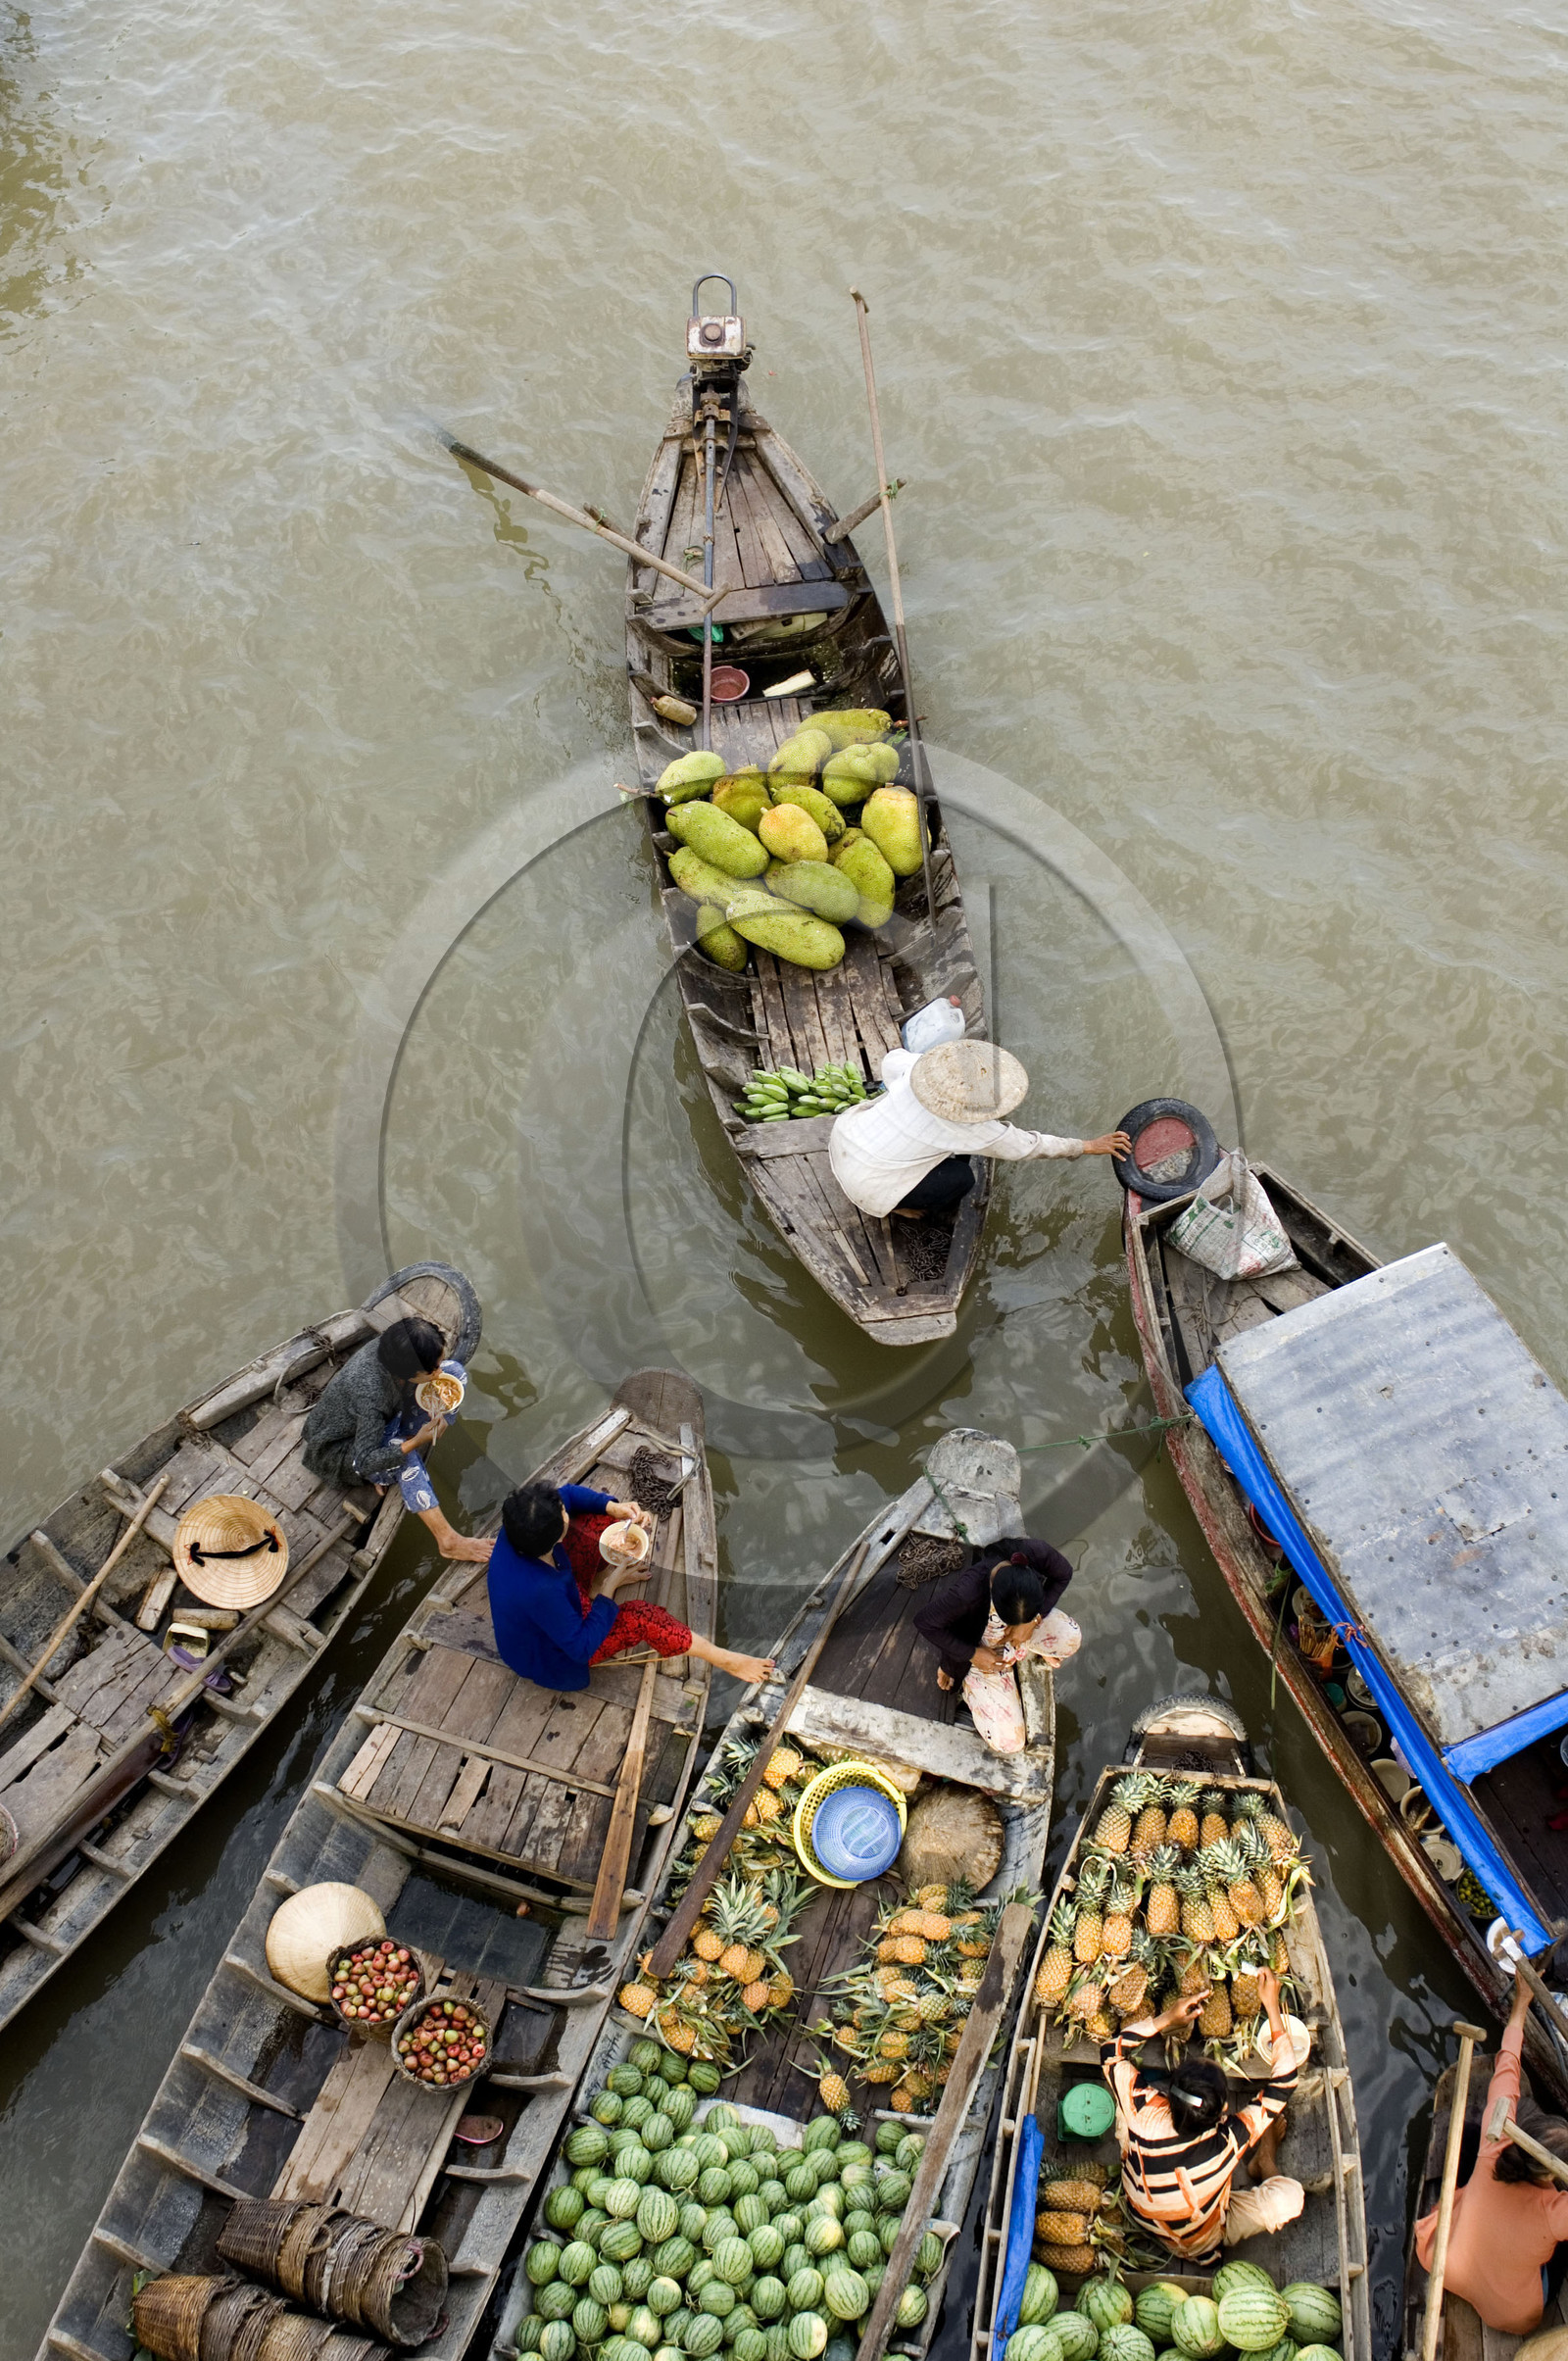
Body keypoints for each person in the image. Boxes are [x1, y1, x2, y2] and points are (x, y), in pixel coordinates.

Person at [488, 1479, 778, 1693]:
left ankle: (594, 1584)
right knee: (640, 1617)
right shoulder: (539, 1591)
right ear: (552, 1542)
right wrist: (608, 1590)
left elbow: (571, 1495)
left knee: (596, 1519)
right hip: (551, 1652)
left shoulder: (522, 1523)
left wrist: (614, 1509)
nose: (566, 1512)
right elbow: (581, 1648)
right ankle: (725, 1660)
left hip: (555, 1604)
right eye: (563, 1517)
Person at [1101, 1972, 1302, 2259]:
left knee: (1125, 2108)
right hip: (1203, 2241)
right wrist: (1271, 2005)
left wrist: (1166, 2018)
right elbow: (1285, 2082)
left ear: (1169, 2093)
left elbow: (1110, 2051)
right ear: (1224, 2111)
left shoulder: (1143, 2107)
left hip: (1141, 2216)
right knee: (1291, 2198)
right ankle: (1264, 2162)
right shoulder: (1229, 2141)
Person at [1413, 1968, 1568, 2333]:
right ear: (1549, 2175)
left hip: (1446, 2265)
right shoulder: (1555, 2211)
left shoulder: (1495, 2142)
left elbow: (1508, 2067)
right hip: (1510, 2315)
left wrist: (1521, 2005)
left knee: (1469, 2134)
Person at [827, 1038, 1131, 1221]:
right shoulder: (971, 1130)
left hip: (845, 1139)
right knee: (963, 1177)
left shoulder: (918, 1070)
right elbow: (1028, 1146)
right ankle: (897, 1207)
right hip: (869, 1187)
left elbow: (892, 1060)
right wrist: (1087, 1146)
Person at [301, 1315, 490, 1564]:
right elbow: (365, 1459)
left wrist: (442, 1414)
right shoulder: (370, 1394)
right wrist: (415, 1441)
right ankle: (448, 1541)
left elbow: (441, 1372)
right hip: (341, 1449)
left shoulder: (395, 1347)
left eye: (438, 1360)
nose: (438, 1370)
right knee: (406, 1458)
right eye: (432, 1369)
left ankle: (425, 1430)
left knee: (456, 1374)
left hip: (381, 1418)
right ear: (408, 1373)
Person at [912, 1541, 1081, 1755]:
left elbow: (1063, 1574)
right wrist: (972, 1654)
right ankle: (971, 1688)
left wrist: (1033, 1620)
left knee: (1071, 1638)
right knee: (1010, 1743)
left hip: (1024, 1628)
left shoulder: (1033, 1553)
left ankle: (1027, 1644)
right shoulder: (967, 1593)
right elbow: (925, 1622)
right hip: (985, 1654)